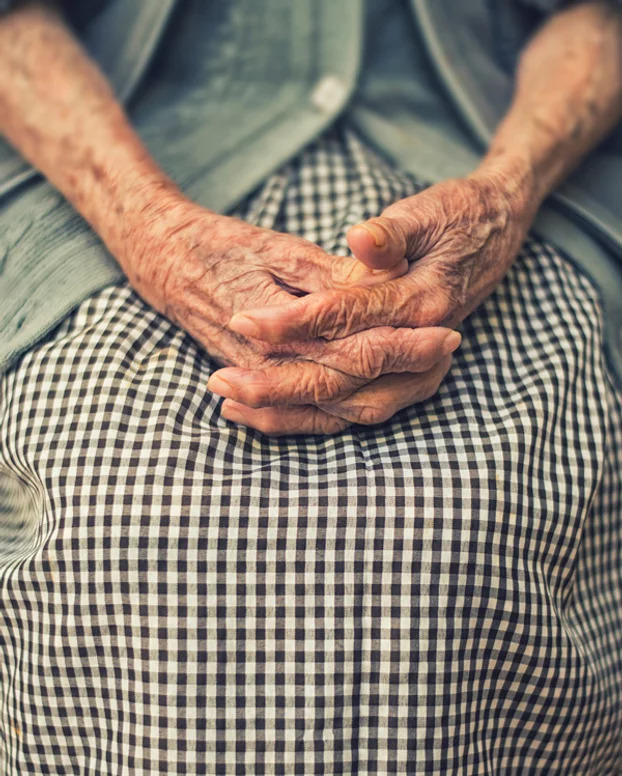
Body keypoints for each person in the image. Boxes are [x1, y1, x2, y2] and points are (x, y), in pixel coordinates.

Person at [0, 0, 621, 773]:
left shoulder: (501, 195)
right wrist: (148, 229)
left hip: (500, 158)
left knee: (472, 521)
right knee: (123, 517)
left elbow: (599, 19)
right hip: (110, 168)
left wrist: (505, 197)